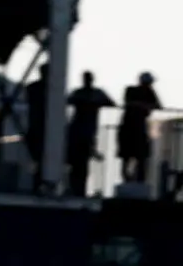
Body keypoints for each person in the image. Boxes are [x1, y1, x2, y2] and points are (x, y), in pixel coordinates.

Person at [63, 72, 110, 200]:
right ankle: (74, 189)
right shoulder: (83, 93)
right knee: (76, 163)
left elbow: (110, 102)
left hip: (85, 131)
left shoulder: (93, 93)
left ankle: (78, 190)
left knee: (81, 163)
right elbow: (69, 100)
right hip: (79, 131)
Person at [115, 72, 160, 193]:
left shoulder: (150, 92)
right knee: (127, 155)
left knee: (140, 156)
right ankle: (128, 179)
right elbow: (129, 102)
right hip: (129, 127)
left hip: (138, 128)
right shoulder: (131, 90)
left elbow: (158, 105)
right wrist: (144, 106)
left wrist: (143, 106)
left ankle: (137, 179)